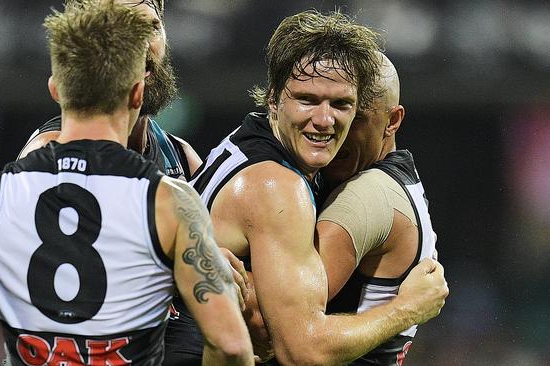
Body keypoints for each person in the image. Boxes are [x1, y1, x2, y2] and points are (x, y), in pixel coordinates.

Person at [0, 2, 253, 365]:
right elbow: (228, 342)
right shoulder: (169, 201)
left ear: (56, 88)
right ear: (135, 91)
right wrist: (182, 263)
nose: (143, 45)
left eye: (151, 27)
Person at [171, 9, 449, 365]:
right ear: (273, 99)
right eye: (307, 100)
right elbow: (302, 351)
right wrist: (406, 309)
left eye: (342, 104)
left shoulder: (244, 142)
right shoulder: (277, 187)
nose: (323, 120)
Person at [316, 54, 436, 365]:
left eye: (355, 119)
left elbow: (281, 330)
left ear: (393, 120)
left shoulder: (364, 197)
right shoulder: (403, 184)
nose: (334, 130)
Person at [18, 0, 202, 183]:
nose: (143, 46)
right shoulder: (47, 160)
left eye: (152, 28)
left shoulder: (181, 158)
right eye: (125, 30)